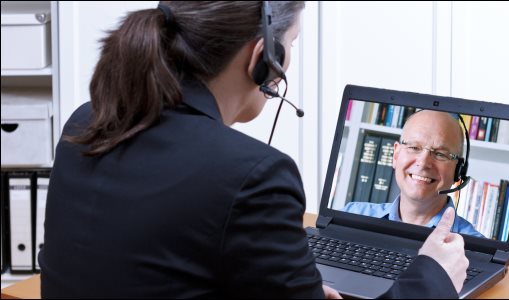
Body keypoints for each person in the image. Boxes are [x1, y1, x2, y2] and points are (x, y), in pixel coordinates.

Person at [39, 1, 468, 298]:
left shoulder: (89, 119)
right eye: (292, 44)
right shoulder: (253, 174)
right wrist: (431, 276)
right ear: (264, 58)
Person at [343, 110, 485, 238]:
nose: (423, 162)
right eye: (414, 147)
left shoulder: (474, 247)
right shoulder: (350, 217)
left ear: (458, 170)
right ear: (396, 154)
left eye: (440, 154)